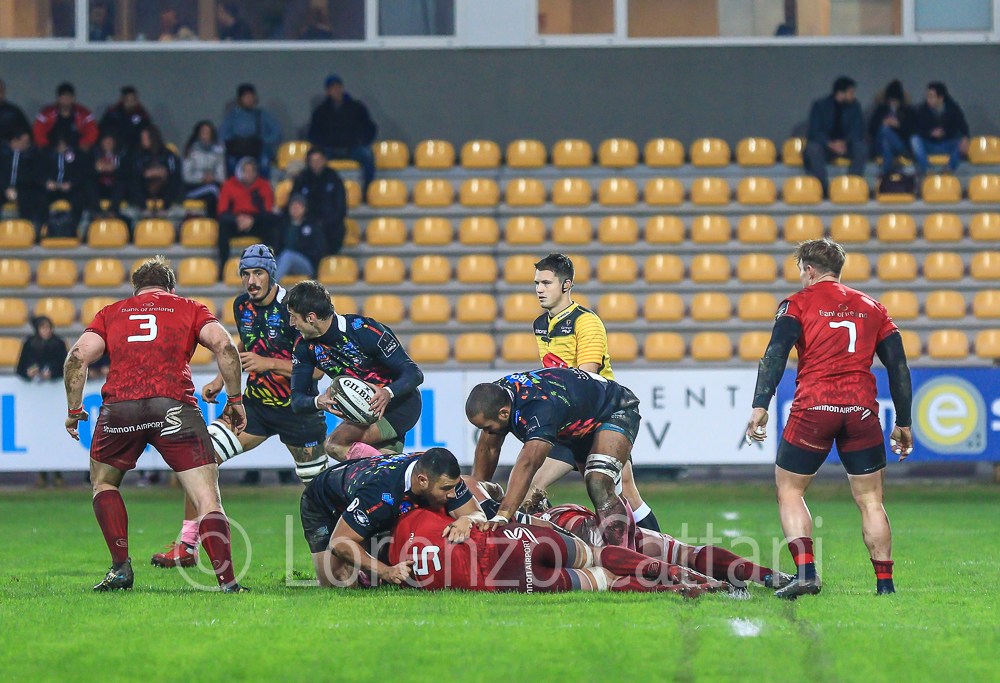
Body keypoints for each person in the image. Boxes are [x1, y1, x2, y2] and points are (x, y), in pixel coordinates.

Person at [62, 256, 249, 592]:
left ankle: (121, 568)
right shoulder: (190, 308)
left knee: (104, 483)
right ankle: (228, 583)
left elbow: (77, 356)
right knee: (207, 498)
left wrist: (74, 409)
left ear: (136, 288)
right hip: (173, 407)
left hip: (121, 408)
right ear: (170, 288)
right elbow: (224, 345)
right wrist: (234, 399)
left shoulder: (112, 312)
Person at [745, 238, 913, 599]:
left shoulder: (797, 304)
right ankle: (885, 585)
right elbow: (898, 366)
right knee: (871, 500)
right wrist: (903, 421)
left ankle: (806, 574)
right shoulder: (873, 308)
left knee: (790, 489)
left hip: (815, 408)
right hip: (861, 410)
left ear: (809, 270)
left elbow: (775, 354)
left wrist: (760, 404)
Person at [151, 245, 329, 568]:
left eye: (258, 273)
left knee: (321, 490)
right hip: (255, 409)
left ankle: (348, 551)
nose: (251, 281)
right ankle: (187, 546)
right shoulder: (241, 306)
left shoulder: (295, 308)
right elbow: (247, 344)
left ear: (271, 274)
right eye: (245, 274)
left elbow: (317, 369)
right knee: (199, 458)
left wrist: (269, 363)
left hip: (298, 412)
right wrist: (222, 379)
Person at [526, 253, 661, 532]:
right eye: (537, 283)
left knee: (622, 492)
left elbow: (586, 378)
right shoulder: (540, 325)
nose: (539, 289)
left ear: (566, 285)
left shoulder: (586, 322)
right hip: (571, 421)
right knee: (623, 492)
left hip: (598, 417)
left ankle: (657, 548)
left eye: (546, 283)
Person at [466, 367, 641, 547]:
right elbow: (488, 448)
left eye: (487, 427)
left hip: (614, 409)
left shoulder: (539, 408)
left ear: (504, 413)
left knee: (599, 483)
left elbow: (528, 463)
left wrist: (503, 515)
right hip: (579, 420)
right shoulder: (498, 397)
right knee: (604, 494)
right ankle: (631, 544)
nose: (487, 432)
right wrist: (477, 498)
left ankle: (621, 555)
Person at [389, 506, 723, 597]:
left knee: (605, 580)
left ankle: (672, 589)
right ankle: (677, 572)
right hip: (514, 538)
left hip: (505, 578)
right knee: (596, 553)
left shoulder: (398, 564)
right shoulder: (422, 511)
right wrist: (470, 517)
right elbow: (479, 504)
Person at [516, 489, 791, 592]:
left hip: (592, 539)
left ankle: (694, 585)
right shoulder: (565, 507)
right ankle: (766, 574)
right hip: (618, 521)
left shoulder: (534, 524)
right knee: (686, 552)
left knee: (612, 578)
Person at [300, 449, 485, 587]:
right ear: (422, 480)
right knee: (339, 582)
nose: (453, 494)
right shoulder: (380, 494)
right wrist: (386, 571)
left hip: (364, 503)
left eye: (454, 486)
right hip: (323, 504)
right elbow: (339, 542)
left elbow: (478, 514)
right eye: (446, 489)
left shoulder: (439, 474)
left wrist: (467, 519)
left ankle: (370, 560)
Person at [287, 280, 424, 461]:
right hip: (365, 413)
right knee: (379, 474)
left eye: (293, 316)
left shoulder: (364, 330)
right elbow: (297, 400)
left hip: (400, 405)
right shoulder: (304, 347)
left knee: (336, 445)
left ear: (311, 317)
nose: (291, 323)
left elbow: (414, 373)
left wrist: (387, 393)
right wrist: (318, 401)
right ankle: (399, 468)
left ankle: (406, 466)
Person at [307, 74, 377, 191]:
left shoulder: (357, 107)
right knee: (314, 157)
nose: (336, 90)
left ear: (342, 88)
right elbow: (313, 133)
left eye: (338, 87)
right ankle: (316, 188)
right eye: (332, 88)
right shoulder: (320, 111)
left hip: (353, 148)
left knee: (367, 155)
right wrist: (321, 145)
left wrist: (362, 141)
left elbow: (370, 128)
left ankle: (368, 190)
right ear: (327, 91)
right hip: (329, 149)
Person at [804, 76, 868, 196]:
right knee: (813, 148)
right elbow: (815, 131)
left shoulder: (855, 106)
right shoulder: (820, 106)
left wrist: (844, 142)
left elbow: (858, 129)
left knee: (861, 147)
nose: (853, 95)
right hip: (826, 146)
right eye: (851, 92)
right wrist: (830, 144)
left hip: (846, 146)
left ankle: (851, 185)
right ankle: (823, 188)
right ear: (840, 93)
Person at [216, 156, 278, 268]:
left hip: (256, 221)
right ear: (240, 171)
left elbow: (268, 211)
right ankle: (224, 266)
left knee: (270, 225)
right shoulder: (229, 185)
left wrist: (253, 220)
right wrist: (237, 219)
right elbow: (222, 211)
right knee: (223, 226)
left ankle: (268, 265)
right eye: (246, 171)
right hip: (236, 222)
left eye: (252, 171)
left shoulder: (264, 185)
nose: (249, 174)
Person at [290, 146, 347, 251]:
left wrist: (326, 222)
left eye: (319, 160)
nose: (316, 163)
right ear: (308, 162)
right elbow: (294, 201)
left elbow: (340, 207)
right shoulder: (302, 178)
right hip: (306, 222)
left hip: (330, 224)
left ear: (324, 160)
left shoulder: (334, 178)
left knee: (336, 229)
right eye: (313, 161)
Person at [219, 83, 281, 178]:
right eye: (246, 97)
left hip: (259, 150)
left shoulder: (262, 114)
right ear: (240, 99)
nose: (249, 99)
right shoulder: (232, 116)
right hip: (237, 151)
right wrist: (235, 141)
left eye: (251, 96)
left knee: (265, 161)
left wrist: (263, 140)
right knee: (230, 161)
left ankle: (263, 185)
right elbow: (222, 134)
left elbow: (277, 132)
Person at [910, 81, 970, 177]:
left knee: (961, 142)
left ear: (941, 98)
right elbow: (916, 129)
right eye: (927, 96)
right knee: (915, 140)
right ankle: (927, 170)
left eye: (931, 96)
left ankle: (949, 169)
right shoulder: (922, 110)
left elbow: (963, 126)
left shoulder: (953, 108)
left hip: (947, 143)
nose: (928, 99)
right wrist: (931, 133)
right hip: (929, 144)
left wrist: (965, 138)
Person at [125, 125, 182, 217]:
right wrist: (146, 173)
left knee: (175, 181)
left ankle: (165, 208)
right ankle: (143, 208)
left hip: (164, 189)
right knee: (132, 181)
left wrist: (162, 173)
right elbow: (134, 172)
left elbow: (175, 172)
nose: (143, 140)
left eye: (145, 138)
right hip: (144, 189)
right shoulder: (137, 155)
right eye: (142, 138)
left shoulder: (167, 154)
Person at [39, 129, 88, 235]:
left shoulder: (76, 154)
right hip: (51, 190)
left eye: (64, 145)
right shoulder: (45, 154)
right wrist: (47, 182)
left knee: (79, 198)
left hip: (70, 189)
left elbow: (81, 174)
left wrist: (71, 184)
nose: (62, 148)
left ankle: (74, 228)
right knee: (39, 198)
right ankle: (45, 228)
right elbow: (39, 173)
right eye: (59, 146)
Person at [867, 79, 915, 179]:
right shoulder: (881, 110)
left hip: (900, 144)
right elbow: (871, 130)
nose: (893, 103)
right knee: (884, 131)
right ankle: (904, 156)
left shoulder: (907, 111)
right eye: (891, 100)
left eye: (895, 100)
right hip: (879, 145)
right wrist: (882, 123)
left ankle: (885, 175)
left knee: (887, 143)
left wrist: (898, 125)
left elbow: (911, 131)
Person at [33, 82, 99, 151]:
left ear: (73, 98)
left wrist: (84, 144)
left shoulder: (83, 113)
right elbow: (38, 131)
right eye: (63, 98)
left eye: (68, 98)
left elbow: (92, 131)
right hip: (51, 149)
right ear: (58, 98)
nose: (65, 101)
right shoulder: (46, 113)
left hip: (77, 150)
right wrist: (47, 147)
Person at [275, 194, 327, 280]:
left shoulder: (313, 226)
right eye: (293, 207)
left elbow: (319, 249)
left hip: (306, 263)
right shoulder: (283, 225)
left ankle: (270, 286)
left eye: (298, 207)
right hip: (284, 260)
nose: (295, 209)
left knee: (288, 255)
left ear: (304, 209)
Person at [0, 129, 44, 228]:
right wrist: (6, 188)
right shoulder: (3, 154)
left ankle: (29, 228)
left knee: (33, 199)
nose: (26, 145)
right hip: (3, 188)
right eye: (24, 142)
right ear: (14, 141)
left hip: (23, 189)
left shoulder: (32, 156)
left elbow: (34, 176)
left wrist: (16, 189)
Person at [181, 120, 225, 217]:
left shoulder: (218, 151)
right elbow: (186, 176)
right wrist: (202, 177)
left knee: (216, 191)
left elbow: (222, 177)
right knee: (213, 191)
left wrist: (212, 178)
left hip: (213, 184)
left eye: (208, 133)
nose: (205, 136)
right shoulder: (190, 150)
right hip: (193, 187)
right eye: (203, 133)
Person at [99, 86, 152, 154]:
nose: (130, 103)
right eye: (127, 100)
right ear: (122, 99)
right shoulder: (112, 114)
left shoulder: (142, 115)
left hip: (135, 150)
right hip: (116, 149)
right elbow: (104, 130)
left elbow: (147, 132)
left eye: (133, 100)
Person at [16, 315, 67, 382]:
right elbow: (20, 368)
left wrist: (52, 373)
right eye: (43, 328)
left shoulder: (59, 343)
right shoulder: (29, 343)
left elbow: (66, 367)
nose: (46, 330)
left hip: (56, 383)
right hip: (32, 384)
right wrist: (27, 373)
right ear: (37, 329)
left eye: (48, 327)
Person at [91, 133, 125, 215]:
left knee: (121, 184)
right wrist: (97, 169)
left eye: (110, 142)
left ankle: (112, 211)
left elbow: (126, 172)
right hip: (100, 187)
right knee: (90, 184)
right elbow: (88, 172)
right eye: (106, 141)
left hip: (113, 187)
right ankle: (96, 212)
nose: (108, 144)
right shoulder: (94, 155)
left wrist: (114, 169)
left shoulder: (121, 155)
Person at [0, 79, 31, 144]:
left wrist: (22, 140)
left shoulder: (13, 112)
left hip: (9, 147)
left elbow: (25, 134)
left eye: (1, 91)